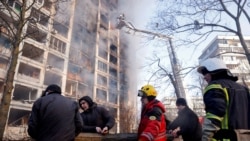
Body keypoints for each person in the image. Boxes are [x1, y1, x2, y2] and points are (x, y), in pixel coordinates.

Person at [197, 58, 250, 141]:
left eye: (205, 73)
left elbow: (213, 117)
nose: (204, 77)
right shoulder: (244, 89)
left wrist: (205, 138)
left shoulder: (215, 87)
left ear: (213, 71)